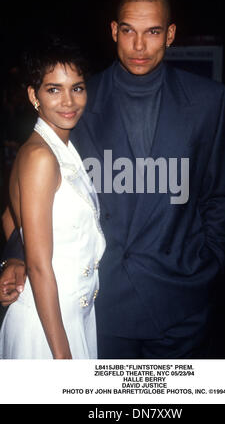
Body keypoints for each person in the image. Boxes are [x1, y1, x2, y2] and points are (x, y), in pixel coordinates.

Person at [0, 0, 225, 359]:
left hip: (182, 298)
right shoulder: (77, 100)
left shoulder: (209, 101)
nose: (139, 45)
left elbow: (219, 196)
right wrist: (16, 255)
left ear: (171, 34)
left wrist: (210, 266)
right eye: (128, 30)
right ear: (113, 31)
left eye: (153, 32)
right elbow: (35, 188)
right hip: (101, 301)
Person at [0, 38, 105, 359]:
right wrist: (62, 356)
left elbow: (9, 215)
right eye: (53, 89)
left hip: (73, 315)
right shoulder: (41, 156)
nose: (69, 101)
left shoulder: (60, 147)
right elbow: (40, 265)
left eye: (77, 88)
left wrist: (13, 258)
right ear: (34, 96)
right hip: (48, 327)